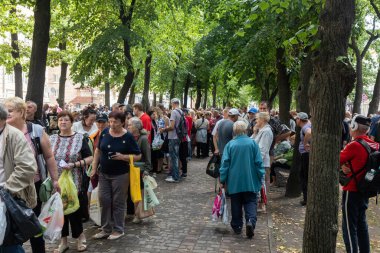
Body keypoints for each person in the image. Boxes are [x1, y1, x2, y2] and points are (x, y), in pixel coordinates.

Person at [4, 97, 60, 253]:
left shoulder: (35, 130)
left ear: (21, 112)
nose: (5, 114)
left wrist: (55, 180)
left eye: (10, 111)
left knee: (34, 225)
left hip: (31, 187)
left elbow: (49, 156)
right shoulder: (3, 131)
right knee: (11, 227)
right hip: (8, 189)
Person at [91, 111, 141, 240]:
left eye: (115, 122)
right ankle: (106, 228)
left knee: (118, 202)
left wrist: (123, 157)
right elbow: (98, 151)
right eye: (111, 121)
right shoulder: (105, 132)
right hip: (104, 173)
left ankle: (119, 229)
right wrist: (94, 167)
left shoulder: (128, 136)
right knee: (104, 200)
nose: (112, 124)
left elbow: (138, 155)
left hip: (120, 174)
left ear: (122, 122)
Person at [50, 111, 93, 253]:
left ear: (71, 122)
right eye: (61, 120)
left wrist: (74, 165)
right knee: (60, 211)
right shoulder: (52, 138)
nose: (63, 122)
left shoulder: (80, 138)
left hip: (74, 180)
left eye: (66, 120)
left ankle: (80, 237)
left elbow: (90, 158)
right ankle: (63, 242)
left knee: (74, 210)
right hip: (57, 182)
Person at [0, 103, 38, 253]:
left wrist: (6, 189)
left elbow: (27, 167)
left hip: (8, 198)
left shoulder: (14, 136)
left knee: (9, 244)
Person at [340, 115, 379, 253]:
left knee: (349, 229)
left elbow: (336, 159)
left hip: (352, 190)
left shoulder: (354, 145)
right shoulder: (375, 145)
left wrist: (344, 164)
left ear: (355, 127)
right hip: (366, 190)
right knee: (362, 226)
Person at [219, 121, 264, 239]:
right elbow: (259, 163)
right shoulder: (253, 144)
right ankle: (250, 221)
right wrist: (261, 175)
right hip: (250, 179)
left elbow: (225, 164)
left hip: (234, 181)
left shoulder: (230, 145)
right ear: (246, 130)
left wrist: (222, 179)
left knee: (236, 203)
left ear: (234, 131)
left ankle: (237, 226)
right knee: (250, 202)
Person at [127, 117, 152, 223]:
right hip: (130, 169)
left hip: (140, 170)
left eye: (129, 125)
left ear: (136, 127)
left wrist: (147, 170)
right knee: (131, 193)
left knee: (139, 193)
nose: (128, 127)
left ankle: (139, 214)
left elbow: (147, 156)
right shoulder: (129, 137)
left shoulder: (143, 139)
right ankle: (133, 213)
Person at [252, 112, 273, 212]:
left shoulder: (266, 131)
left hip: (261, 162)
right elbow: (251, 141)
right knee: (260, 182)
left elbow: (263, 150)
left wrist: (257, 163)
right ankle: (260, 203)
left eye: (257, 119)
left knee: (262, 182)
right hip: (259, 161)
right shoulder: (261, 130)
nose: (256, 121)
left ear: (263, 120)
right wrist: (255, 132)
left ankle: (262, 204)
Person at [161, 98, 182, 183]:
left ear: (173, 103)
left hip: (173, 137)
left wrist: (164, 129)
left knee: (173, 157)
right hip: (178, 137)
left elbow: (172, 126)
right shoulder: (180, 111)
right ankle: (176, 175)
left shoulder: (174, 112)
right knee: (176, 157)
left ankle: (175, 177)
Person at [296, 112, 312, 206]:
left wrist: (305, 143)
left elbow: (309, 132)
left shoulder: (305, 127)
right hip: (307, 154)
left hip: (306, 155)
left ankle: (306, 199)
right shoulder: (309, 123)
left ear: (299, 119)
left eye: (296, 119)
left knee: (304, 176)